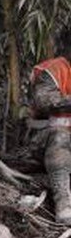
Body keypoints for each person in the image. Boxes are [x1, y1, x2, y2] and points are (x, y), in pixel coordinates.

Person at [29, 54, 71, 224]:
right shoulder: (54, 70)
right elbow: (44, 101)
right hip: (47, 137)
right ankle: (63, 204)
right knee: (60, 137)